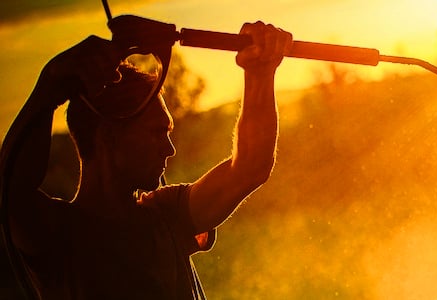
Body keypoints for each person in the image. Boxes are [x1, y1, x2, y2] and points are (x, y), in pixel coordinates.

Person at [0, 21, 291, 299]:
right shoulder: (58, 234)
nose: (169, 149)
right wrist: (49, 85)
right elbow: (8, 192)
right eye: (156, 133)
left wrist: (260, 71)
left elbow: (250, 166)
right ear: (108, 136)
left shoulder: (168, 215)